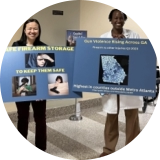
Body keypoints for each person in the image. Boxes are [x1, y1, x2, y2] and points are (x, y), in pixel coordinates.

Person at [99, 9, 143, 160]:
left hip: (130, 83)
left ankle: (130, 146)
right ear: (110, 20)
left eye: (121, 17)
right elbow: (99, 60)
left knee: (132, 116)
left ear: (124, 19)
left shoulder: (133, 35)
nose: (118, 20)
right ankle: (109, 149)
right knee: (111, 117)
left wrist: (126, 43)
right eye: (115, 18)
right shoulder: (103, 37)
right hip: (111, 83)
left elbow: (140, 57)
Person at [12, 19, 47, 158]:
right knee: (22, 117)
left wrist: (43, 89)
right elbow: (11, 66)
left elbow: (47, 71)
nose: (32, 31)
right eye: (30, 28)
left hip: (39, 89)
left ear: (39, 31)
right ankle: (21, 146)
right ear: (25, 31)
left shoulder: (44, 47)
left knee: (40, 118)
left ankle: (41, 148)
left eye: (35, 29)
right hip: (21, 86)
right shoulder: (16, 45)